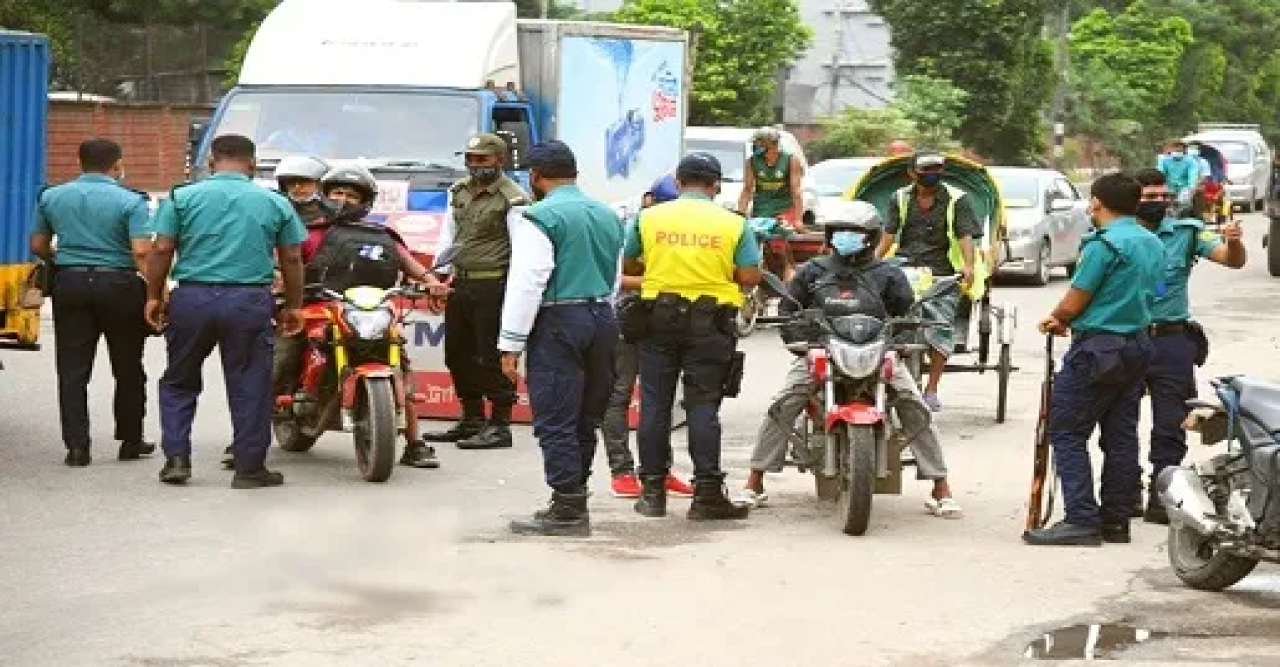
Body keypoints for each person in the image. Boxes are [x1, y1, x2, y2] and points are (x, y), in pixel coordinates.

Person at [733, 201, 961, 516]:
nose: (845, 237)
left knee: (914, 406)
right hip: (822, 352)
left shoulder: (889, 274)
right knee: (784, 403)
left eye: (853, 232)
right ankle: (754, 482)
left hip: (878, 353)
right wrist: (800, 342)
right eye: (839, 231)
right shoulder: (813, 271)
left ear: (871, 236)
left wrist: (903, 343)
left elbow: (908, 314)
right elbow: (788, 311)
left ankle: (941, 487)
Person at [144, 134, 307, 488]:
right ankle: (249, 469)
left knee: (179, 380)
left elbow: (162, 249)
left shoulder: (182, 197)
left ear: (212, 162)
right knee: (250, 382)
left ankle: (176, 460)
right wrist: (294, 306)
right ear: (252, 163)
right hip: (248, 301)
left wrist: (154, 296)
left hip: (192, 298)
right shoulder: (274, 202)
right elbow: (292, 257)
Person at [1023, 172, 1165, 547]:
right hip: (1137, 345)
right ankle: (1116, 521)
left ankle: (1082, 519)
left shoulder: (1104, 245)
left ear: (1097, 203)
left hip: (1098, 348)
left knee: (1066, 431)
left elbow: (1075, 298)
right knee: (1120, 436)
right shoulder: (1152, 242)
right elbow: (1156, 291)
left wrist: (1057, 318)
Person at [271, 164, 444, 469]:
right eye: (337, 192)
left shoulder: (382, 235)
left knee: (399, 367)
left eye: (352, 195)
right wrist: (278, 281)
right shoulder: (304, 232)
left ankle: (415, 443)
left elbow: (410, 265)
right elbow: (283, 261)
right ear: (324, 195)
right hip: (313, 310)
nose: (344, 199)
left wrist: (432, 283)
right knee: (280, 356)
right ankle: (255, 429)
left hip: (370, 312)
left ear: (365, 202)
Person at [622, 152, 761, 521]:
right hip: (710, 324)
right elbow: (749, 277)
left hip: (656, 321)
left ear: (679, 182)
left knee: (655, 406)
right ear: (715, 186)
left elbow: (630, 265)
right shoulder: (733, 224)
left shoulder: (648, 218)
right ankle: (707, 496)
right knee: (702, 407)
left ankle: (652, 494)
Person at [502, 141, 625, 537]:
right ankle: (574, 498)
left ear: (535, 177)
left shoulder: (538, 217)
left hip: (558, 319)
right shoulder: (607, 214)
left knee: (555, 417)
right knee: (585, 417)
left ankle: (567, 508)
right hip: (602, 317)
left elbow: (528, 281)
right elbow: (616, 277)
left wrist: (511, 342)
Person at [1131, 168, 1246, 524]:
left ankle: (1163, 495)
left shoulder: (1186, 232)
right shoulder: (1111, 236)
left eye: (1162, 196)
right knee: (1119, 423)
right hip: (1126, 339)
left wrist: (1235, 240)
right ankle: (1123, 496)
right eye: (1149, 197)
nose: (1158, 202)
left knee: (1171, 425)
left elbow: (1231, 259)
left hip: (1171, 340)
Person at [30, 138, 155, 467]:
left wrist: (62, 259)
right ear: (116, 165)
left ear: (80, 163)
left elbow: (38, 244)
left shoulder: (52, 197)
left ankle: (77, 447)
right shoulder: (131, 201)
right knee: (128, 366)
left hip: (69, 284)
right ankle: (130, 440)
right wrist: (158, 293)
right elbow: (142, 252)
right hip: (119, 286)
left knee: (72, 370)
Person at [219, 154, 337, 470]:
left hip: (335, 303)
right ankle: (243, 441)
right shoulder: (270, 212)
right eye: (291, 183)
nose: (298, 189)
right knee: (273, 366)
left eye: (306, 182)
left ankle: (413, 442)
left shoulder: (340, 218)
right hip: (289, 305)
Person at [421, 133, 531, 450]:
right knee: (457, 353)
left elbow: (523, 249)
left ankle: (500, 423)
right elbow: (449, 236)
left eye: (481, 158)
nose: (473, 164)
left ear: (499, 159)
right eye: (469, 158)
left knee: (491, 356)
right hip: (461, 281)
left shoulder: (513, 199)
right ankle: (471, 418)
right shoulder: (459, 192)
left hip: (494, 284)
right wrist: (437, 278)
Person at [603, 173, 695, 500]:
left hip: (665, 315)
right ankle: (622, 470)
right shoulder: (627, 223)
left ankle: (659, 469)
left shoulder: (681, 224)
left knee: (660, 398)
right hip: (627, 316)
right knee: (619, 392)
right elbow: (614, 276)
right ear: (649, 200)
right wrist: (658, 281)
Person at [875, 152, 982, 412]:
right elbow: (888, 235)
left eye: (936, 169)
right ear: (912, 173)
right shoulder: (899, 198)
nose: (932, 174)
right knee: (885, 321)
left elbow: (964, 235)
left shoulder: (957, 199)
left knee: (941, 325)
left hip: (942, 271)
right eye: (926, 170)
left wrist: (967, 267)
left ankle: (931, 389)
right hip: (904, 268)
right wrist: (872, 263)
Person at [736, 127, 807, 282]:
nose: (756, 146)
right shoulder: (752, 161)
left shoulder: (790, 160)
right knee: (752, 241)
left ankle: (789, 269)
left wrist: (798, 219)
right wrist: (740, 214)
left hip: (783, 208)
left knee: (778, 242)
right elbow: (747, 189)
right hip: (761, 209)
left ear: (770, 144)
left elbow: (796, 191)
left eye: (759, 143)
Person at [1157, 140, 1200, 207]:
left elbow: (1193, 177)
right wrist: (1161, 187)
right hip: (1168, 186)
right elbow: (1160, 174)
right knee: (1165, 204)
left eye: (1179, 151)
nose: (1177, 152)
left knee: (1183, 202)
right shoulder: (1164, 160)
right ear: (1170, 150)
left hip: (1184, 187)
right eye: (1175, 150)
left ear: (1184, 150)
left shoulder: (1191, 161)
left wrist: (1191, 190)